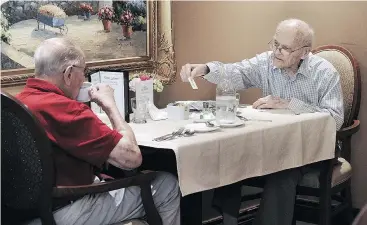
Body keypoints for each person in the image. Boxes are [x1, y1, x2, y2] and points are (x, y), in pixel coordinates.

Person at [180, 18, 344, 225]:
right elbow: (236, 72)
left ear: (304, 52)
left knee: (283, 172)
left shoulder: (324, 73)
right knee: (232, 154)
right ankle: (227, 219)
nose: (276, 51)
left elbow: (335, 119)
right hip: (273, 143)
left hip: (312, 147)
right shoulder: (266, 63)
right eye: (275, 43)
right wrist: (205, 69)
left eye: (284, 48)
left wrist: (289, 104)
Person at [17, 37, 180, 225]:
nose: (84, 79)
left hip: (23, 213)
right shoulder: (67, 110)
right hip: (64, 210)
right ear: (69, 74)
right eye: (83, 72)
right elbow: (131, 159)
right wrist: (110, 104)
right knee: (166, 185)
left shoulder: (16, 103)